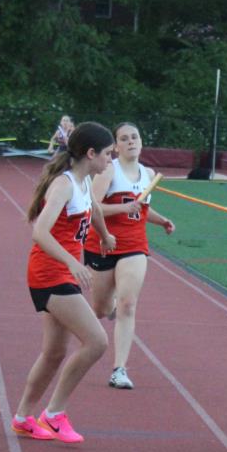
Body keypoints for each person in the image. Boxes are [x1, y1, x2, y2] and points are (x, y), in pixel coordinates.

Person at [11, 122, 117, 444]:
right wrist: (72, 261)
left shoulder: (84, 181)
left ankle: (22, 418)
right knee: (97, 341)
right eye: (108, 154)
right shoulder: (64, 185)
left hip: (61, 272)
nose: (110, 160)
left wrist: (104, 234)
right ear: (91, 154)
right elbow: (40, 232)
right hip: (49, 273)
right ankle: (54, 414)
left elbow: (93, 208)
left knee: (54, 352)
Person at [84, 121, 175, 389]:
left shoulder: (148, 174)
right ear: (116, 146)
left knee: (128, 304)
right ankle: (109, 306)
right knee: (100, 309)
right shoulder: (108, 171)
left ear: (141, 142)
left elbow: (141, 209)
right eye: (124, 138)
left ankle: (119, 369)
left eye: (135, 137)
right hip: (103, 244)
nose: (131, 142)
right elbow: (91, 207)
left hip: (134, 245)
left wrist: (161, 220)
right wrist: (123, 209)